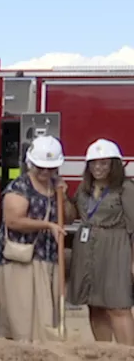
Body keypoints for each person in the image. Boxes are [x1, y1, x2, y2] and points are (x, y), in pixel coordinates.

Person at [0, 135, 72, 341]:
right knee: (22, 317)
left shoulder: (56, 186)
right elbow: (13, 221)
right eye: (41, 167)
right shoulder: (19, 187)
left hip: (48, 258)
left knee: (46, 314)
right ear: (31, 164)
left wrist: (63, 196)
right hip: (21, 260)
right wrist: (47, 225)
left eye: (51, 168)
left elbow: (70, 216)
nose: (46, 172)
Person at [65, 138, 134, 345]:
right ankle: (104, 355)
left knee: (118, 305)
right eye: (94, 163)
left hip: (115, 249)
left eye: (104, 163)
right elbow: (71, 216)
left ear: (114, 165)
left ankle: (127, 358)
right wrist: (62, 196)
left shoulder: (126, 189)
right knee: (94, 304)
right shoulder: (85, 189)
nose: (98, 167)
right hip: (87, 250)